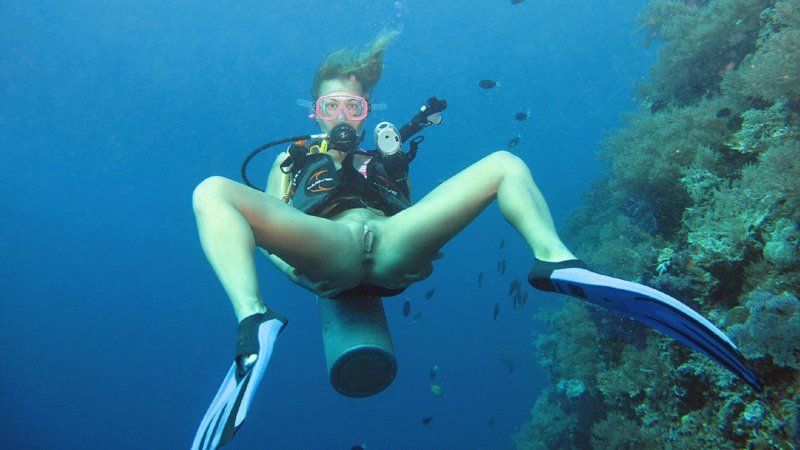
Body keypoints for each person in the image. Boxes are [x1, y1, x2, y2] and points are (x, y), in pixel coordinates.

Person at [190, 31, 761, 449]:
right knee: (213, 190)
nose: (344, 115)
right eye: (331, 106)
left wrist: (394, 176)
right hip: (328, 250)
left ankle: (558, 263)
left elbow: (408, 212)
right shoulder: (292, 159)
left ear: (367, 111)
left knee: (503, 163)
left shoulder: (383, 154)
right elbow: (269, 228)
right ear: (313, 111)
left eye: (354, 105)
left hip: (391, 246)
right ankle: (253, 321)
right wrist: (297, 270)